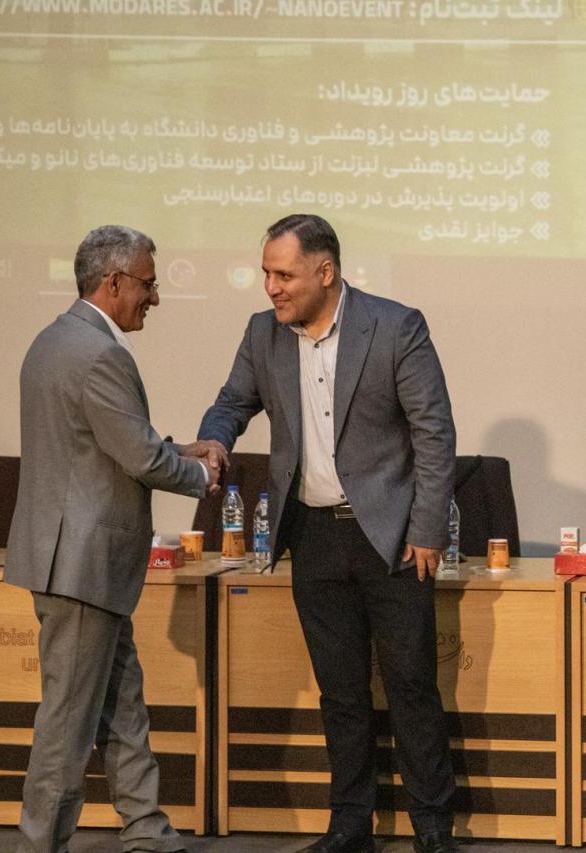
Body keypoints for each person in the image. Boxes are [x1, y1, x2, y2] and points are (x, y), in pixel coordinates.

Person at [197, 213, 458, 853]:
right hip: (312, 536)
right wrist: (212, 441)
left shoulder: (395, 326)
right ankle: (350, 824)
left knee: (411, 687)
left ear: (326, 271)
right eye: (266, 273)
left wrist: (428, 529)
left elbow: (434, 434)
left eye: (284, 275)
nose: (271, 287)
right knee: (339, 692)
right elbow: (232, 403)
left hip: (392, 538)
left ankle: (432, 827)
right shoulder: (263, 333)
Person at [4, 225, 226, 853]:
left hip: (77, 564)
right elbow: (141, 459)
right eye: (148, 285)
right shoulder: (102, 354)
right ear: (115, 282)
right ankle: (40, 843)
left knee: (121, 703)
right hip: (83, 565)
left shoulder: (54, 340)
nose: (154, 297)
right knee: (68, 724)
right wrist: (201, 475)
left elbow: (98, 442)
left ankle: (147, 828)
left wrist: (178, 447)